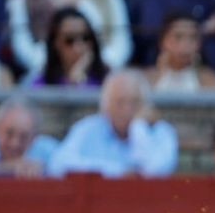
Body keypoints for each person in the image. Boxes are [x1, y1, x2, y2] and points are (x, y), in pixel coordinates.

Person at [48, 68, 179, 177]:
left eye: (134, 102)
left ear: (145, 105)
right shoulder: (87, 128)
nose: (127, 109)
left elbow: (154, 171)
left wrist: (138, 127)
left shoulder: (161, 131)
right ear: (106, 106)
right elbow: (57, 164)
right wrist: (117, 172)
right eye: (120, 102)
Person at [30, 6, 112, 87]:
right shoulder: (41, 85)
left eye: (86, 38)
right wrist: (74, 81)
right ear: (55, 43)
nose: (79, 47)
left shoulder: (108, 81)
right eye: (69, 40)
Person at [0, 97, 59, 176]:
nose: (15, 143)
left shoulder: (48, 150)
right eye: (9, 133)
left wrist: (43, 167)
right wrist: (8, 167)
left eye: (24, 137)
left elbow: (66, 165)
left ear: (34, 137)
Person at [145, 11, 215, 89]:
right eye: (178, 37)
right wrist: (161, 76)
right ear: (162, 41)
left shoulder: (212, 80)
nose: (186, 44)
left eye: (193, 38)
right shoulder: (146, 79)